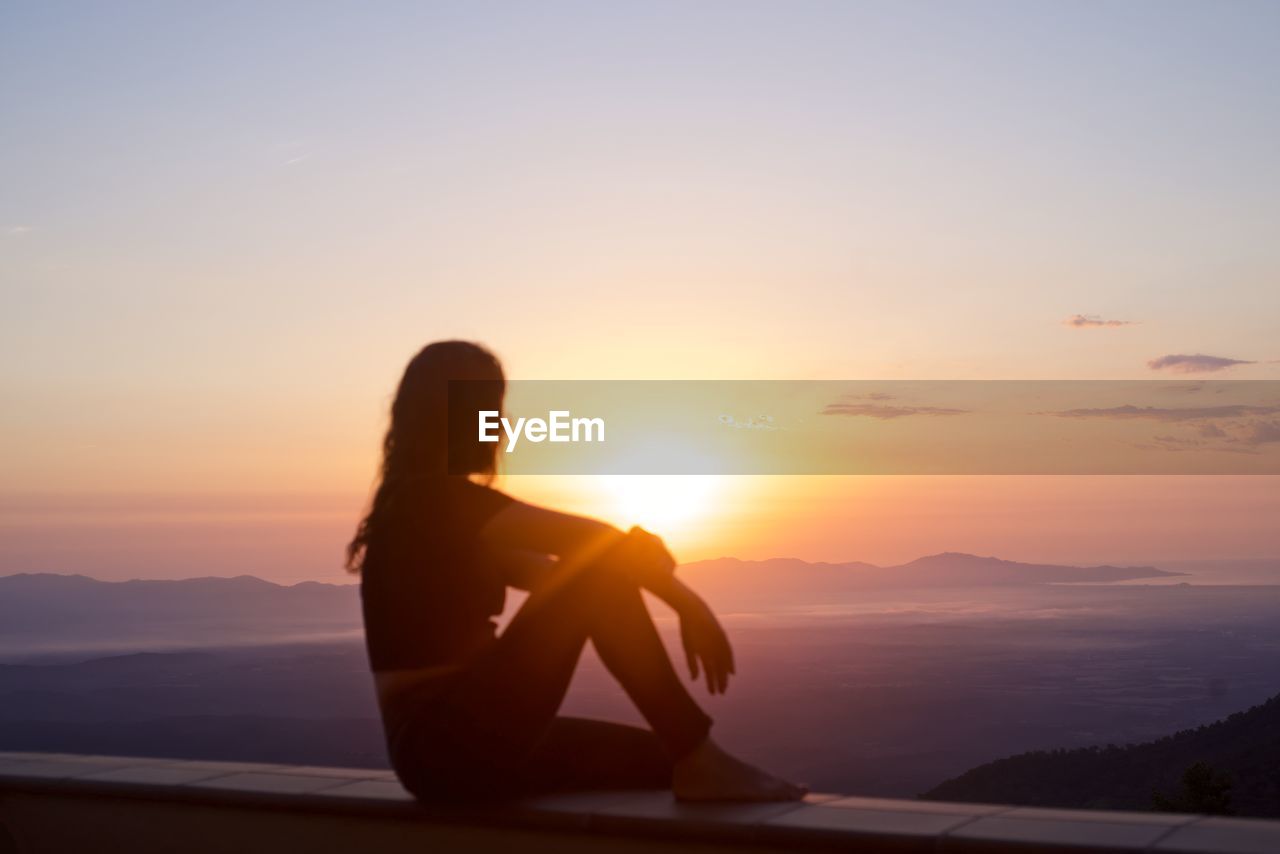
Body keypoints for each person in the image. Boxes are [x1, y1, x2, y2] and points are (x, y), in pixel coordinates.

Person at [346, 340, 806, 802]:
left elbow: (565, 577)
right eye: (486, 408)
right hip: (443, 743)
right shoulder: (432, 503)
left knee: (664, 760)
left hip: (464, 740)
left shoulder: (431, 512)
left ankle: (695, 756)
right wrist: (687, 602)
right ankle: (699, 755)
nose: (500, 426)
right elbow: (593, 556)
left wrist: (633, 559)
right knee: (597, 581)